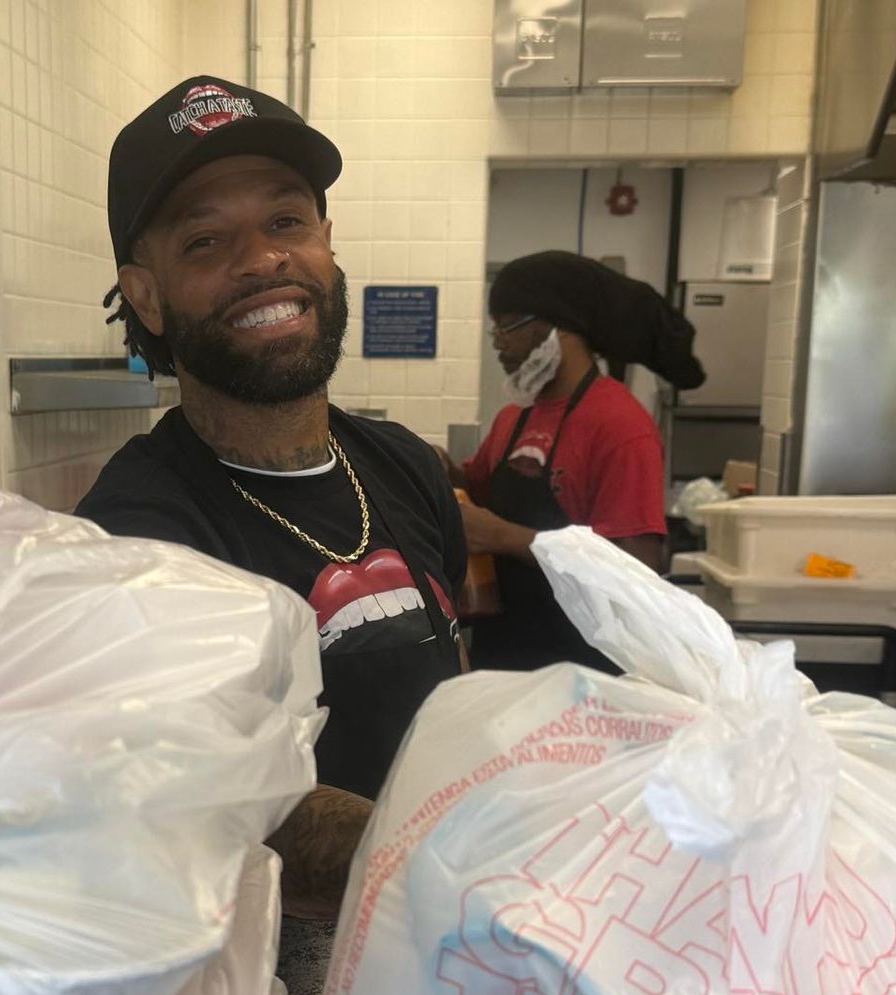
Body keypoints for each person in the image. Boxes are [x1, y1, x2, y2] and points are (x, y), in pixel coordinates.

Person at [77, 77, 466, 922]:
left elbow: (449, 680)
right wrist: (464, 862)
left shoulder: (406, 467)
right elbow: (210, 802)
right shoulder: (133, 536)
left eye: (286, 222)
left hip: (442, 963)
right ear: (146, 294)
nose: (262, 260)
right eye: (208, 240)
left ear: (327, 241)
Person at [445, 250, 700, 672]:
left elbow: (634, 570)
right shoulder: (516, 415)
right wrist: (437, 468)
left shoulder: (620, 425)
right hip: (505, 655)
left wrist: (504, 536)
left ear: (556, 328)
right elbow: (482, 492)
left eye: (508, 326)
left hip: (583, 669)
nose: (498, 343)